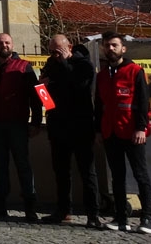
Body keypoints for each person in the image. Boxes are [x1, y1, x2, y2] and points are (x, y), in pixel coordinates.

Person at [96, 32, 151, 234]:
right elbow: (99, 105)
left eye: (114, 45)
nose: (110, 49)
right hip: (110, 132)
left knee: (141, 175)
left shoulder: (135, 71)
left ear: (123, 48)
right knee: (117, 177)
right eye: (106, 46)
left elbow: (143, 101)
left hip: (132, 132)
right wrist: (99, 129)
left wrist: (141, 127)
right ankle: (121, 217)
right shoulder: (102, 75)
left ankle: (147, 218)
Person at [40, 35, 101, 228]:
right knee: (61, 172)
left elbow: (81, 88)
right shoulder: (50, 65)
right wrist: (42, 88)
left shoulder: (84, 65)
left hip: (81, 126)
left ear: (69, 47)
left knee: (87, 173)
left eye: (58, 50)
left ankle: (93, 214)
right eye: (51, 51)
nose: (54, 55)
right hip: (58, 126)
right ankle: (63, 210)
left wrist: (66, 63)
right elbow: (44, 98)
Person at [0, 33, 41, 222]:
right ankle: (0, 206)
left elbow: (35, 98)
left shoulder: (24, 66)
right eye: (0, 43)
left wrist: (36, 123)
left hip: (18, 124)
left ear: (12, 44)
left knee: (23, 165)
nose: (4, 45)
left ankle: (30, 208)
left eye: (7, 42)